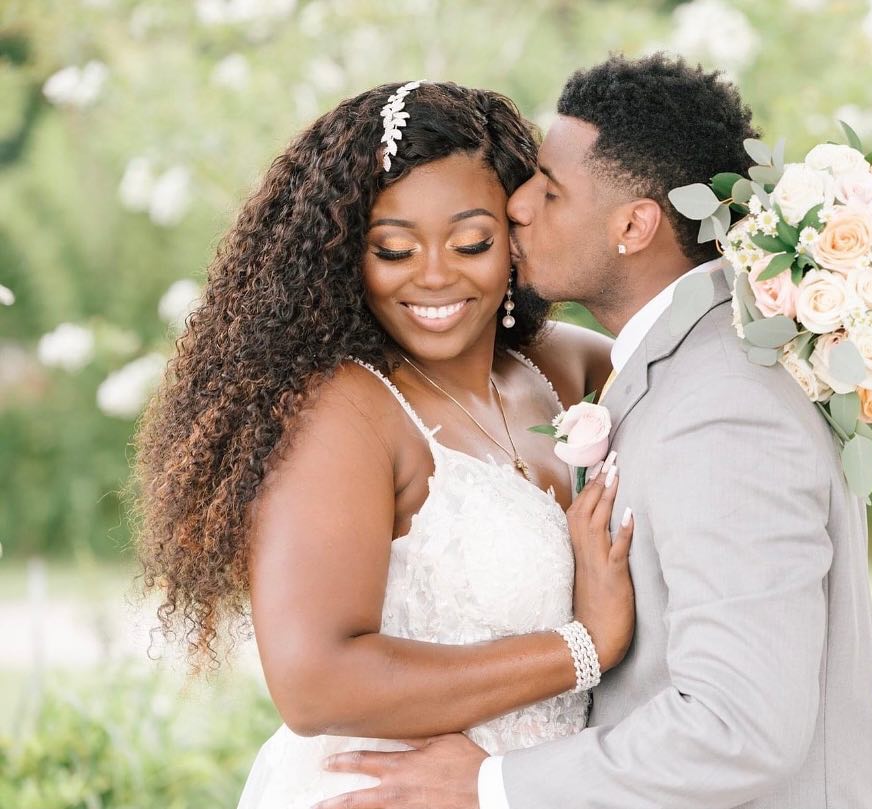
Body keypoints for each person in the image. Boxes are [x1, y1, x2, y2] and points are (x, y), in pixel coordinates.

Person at [319, 54, 872, 809]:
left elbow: (741, 723)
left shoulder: (725, 408)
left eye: (551, 191)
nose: (517, 206)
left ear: (634, 224)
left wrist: (489, 784)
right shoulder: (670, 365)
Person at [130, 80, 635, 809]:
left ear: (516, 232)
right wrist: (584, 646)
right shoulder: (347, 410)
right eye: (394, 249)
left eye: (472, 242)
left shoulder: (553, 366)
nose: (435, 275)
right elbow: (314, 682)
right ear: (344, 255)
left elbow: (682, 359)